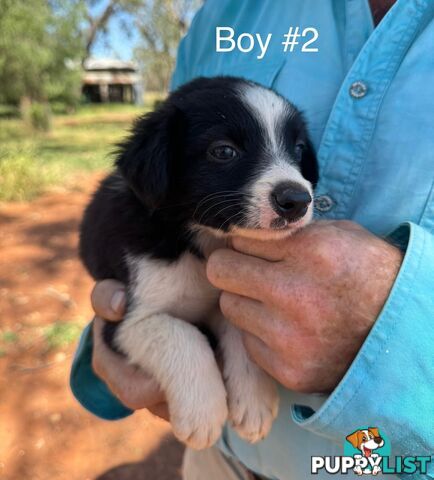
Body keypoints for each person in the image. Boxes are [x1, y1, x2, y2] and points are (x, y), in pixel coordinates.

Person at [71, 1, 434, 478]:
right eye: (225, 150)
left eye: (295, 151)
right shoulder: (224, 14)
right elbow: (142, 315)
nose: (296, 186)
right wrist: (137, 341)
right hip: (222, 463)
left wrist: (397, 331)